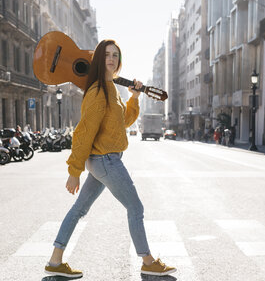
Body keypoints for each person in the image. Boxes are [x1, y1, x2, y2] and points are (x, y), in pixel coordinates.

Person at [44, 39, 176, 277]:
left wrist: (134, 97)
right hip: (106, 161)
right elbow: (84, 133)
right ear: (98, 59)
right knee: (135, 207)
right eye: (107, 55)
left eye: (116, 55)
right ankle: (147, 261)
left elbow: (122, 123)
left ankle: (55, 260)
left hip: (102, 160)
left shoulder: (111, 88)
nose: (112, 59)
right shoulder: (97, 91)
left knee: (78, 210)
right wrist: (74, 172)